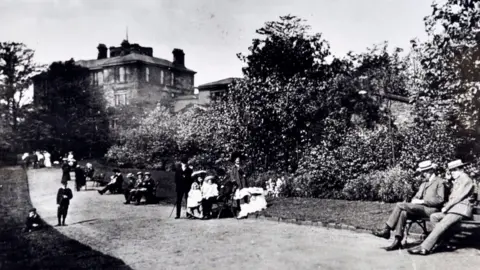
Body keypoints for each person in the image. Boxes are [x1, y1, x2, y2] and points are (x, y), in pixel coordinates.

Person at [372, 160, 446, 251]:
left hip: (432, 209)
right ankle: (397, 241)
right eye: (422, 172)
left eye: (425, 171)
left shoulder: (439, 182)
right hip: (421, 209)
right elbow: (417, 196)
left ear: (431, 171)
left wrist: (422, 201)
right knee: (403, 212)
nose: (423, 174)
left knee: (400, 205)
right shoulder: (423, 184)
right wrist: (415, 200)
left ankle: (386, 229)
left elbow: (440, 199)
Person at [408, 159, 476, 255]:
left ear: (459, 169)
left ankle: (424, 247)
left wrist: (446, 207)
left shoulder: (466, 180)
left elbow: (457, 197)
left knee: (443, 224)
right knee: (434, 217)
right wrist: (448, 180)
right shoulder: (459, 180)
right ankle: (443, 242)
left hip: (461, 209)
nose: (451, 173)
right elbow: (451, 193)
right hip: (454, 209)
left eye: (453, 170)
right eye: (450, 170)